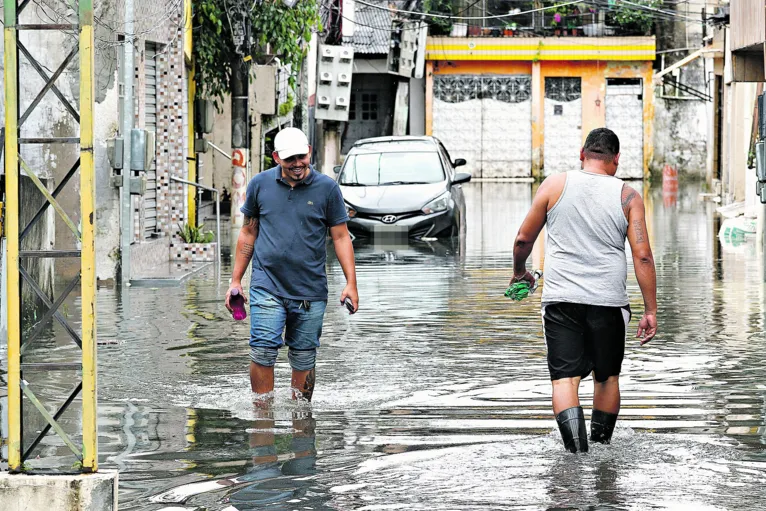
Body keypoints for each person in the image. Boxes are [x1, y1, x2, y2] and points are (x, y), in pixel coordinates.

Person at [510, 128, 657, 453]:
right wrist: (650, 310)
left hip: (562, 300)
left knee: (565, 380)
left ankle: (577, 455)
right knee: (606, 378)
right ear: (616, 160)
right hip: (609, 301)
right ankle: (601, 450)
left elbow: (523, 239)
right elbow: (643, 255)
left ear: (582, 154)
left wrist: (521, 273)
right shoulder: (628, 196)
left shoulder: (554, 184)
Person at [226, 127, 358, 401]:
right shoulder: (260, 185)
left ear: (309, 152)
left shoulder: (327, 189)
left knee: (303, 355)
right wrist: (236, 280)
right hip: (267, 285)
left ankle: (301, 419)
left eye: (301, 157)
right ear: (276, 157)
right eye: (290, 159)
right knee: (262, 349)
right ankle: (262, 417)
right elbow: (249, 232)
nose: (297, 164)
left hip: (310, 290)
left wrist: (351, 284)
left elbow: (341, 237)